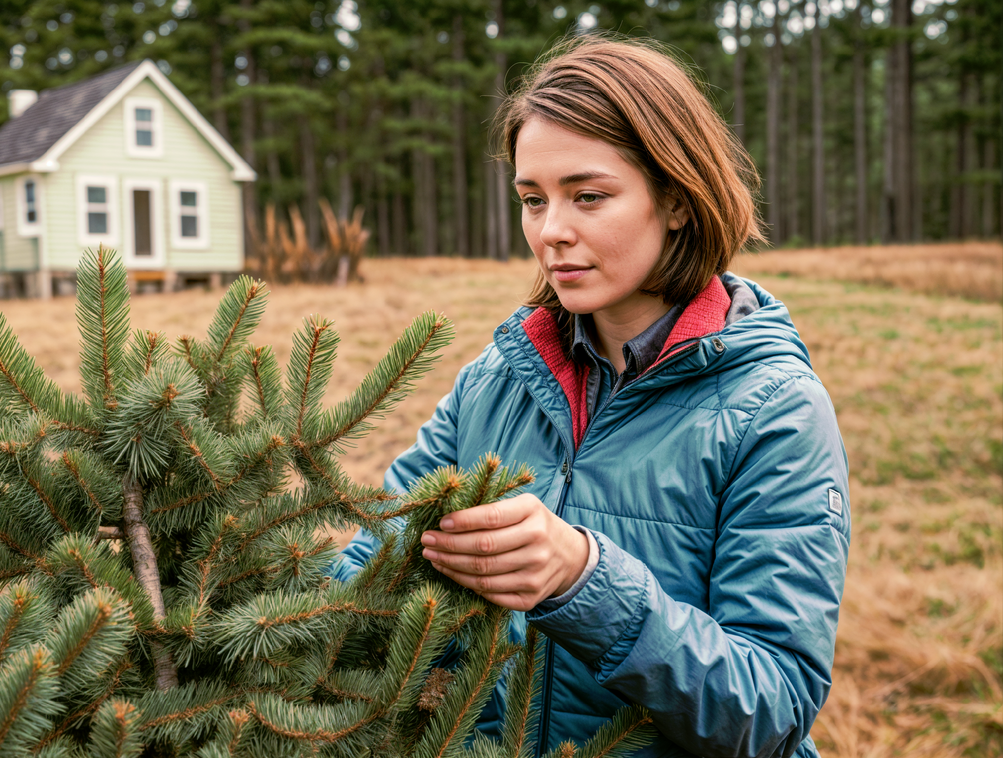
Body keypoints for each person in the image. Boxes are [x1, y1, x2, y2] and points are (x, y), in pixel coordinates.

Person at [332, 36, 850, 758]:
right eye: (532, 200)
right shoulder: (496, 381)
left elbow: (773, 711)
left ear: (675, 197)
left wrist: (585, 581)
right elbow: (370, 572)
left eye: (588, 197)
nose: (551, 233)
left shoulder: (775, 411)